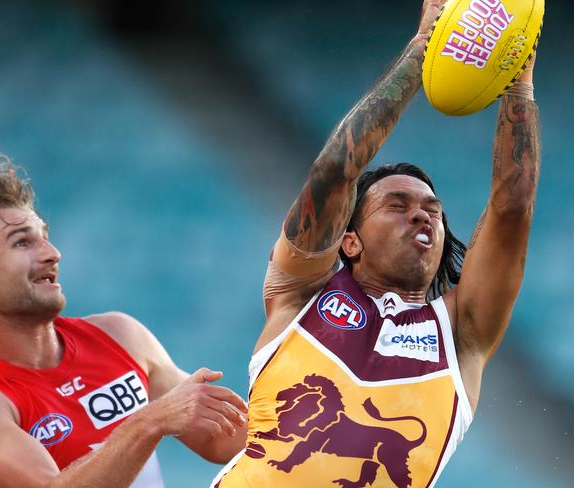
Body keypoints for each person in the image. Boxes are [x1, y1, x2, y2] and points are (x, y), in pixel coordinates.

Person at [212, 0, 540, 486]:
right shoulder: (300, 293)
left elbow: (511, 210)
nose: (421, 215)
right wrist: (420, 51)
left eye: (432, 210)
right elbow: (333, 172)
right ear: (349, 242)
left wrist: (519, 83)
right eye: (397, 205)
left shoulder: (462, 333)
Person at [0, 159, 249, 488]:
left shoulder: (121, 335)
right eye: (22, 242)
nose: (52, 253)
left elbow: (224, 441)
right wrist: (148, 423)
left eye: (45, 237)